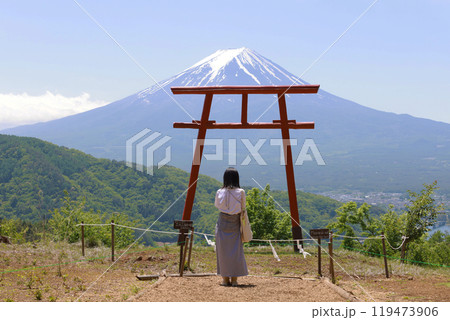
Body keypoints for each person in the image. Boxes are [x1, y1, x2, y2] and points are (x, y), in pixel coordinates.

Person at [214, 167, 248, 287]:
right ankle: (234, 280)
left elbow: (217, 206)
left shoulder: (219, 192)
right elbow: (243, 208)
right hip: (235, 223)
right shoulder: (241, 192)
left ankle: (224, 280)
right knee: (235, 251)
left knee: (222, 251)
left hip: (222, 222)